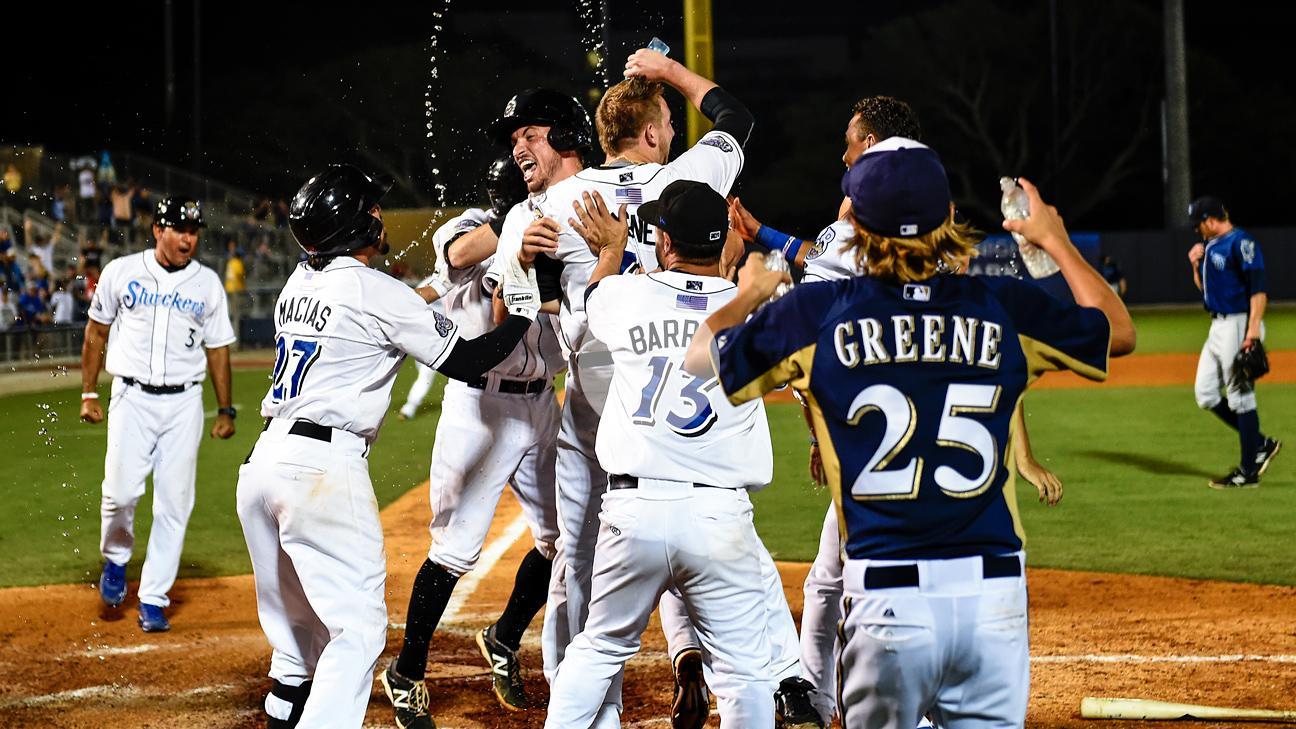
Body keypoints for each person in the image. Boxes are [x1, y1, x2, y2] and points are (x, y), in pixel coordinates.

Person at [685, 139, 1136, 729]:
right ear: (948, 218)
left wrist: (749, 292)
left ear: (858, 230)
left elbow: (699, 358)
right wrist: (1053, 240)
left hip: (887, 601)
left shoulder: (820, 311)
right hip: (992, 598)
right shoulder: (1000, 303)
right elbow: (1119, 331)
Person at [729, 97, 1060, 726]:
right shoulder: (941, 249)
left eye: (851, 143)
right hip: (973, 541)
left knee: (833, 579)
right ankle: (837, 697)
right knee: (835, 578)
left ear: (873, 143)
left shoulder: (864, 228)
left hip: (885, 490)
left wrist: (755, 258)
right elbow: (1100, 336)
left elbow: (724, 350)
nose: (843, 155)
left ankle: (819, 698)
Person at [490, 48, 767, 727]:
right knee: (700, 516)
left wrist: (525, 255)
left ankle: (581, 702)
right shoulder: (687, 175)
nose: (673, 131)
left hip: (594, 376)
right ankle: (725, 660)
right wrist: (669, 74)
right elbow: (737, 115)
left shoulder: (551, 201)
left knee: (578, 551)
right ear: (649, 132)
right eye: (667, 121)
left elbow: (507, 308)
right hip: (679, 370)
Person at [235, 163, 542, 729]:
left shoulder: (299, 284)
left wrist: (443, 287)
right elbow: (471, 360)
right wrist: (522, 312)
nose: (378, 216)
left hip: (263, 466)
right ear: (353, 224)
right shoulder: (374, 290)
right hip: (320, 471)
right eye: (369, 210)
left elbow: (393, 307)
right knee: (358, 634)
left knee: (296, 644)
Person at [545, 180, 783, 728]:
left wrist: (608, 249)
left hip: (635, 511)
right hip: (720, 517)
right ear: (723, 243)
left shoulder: (628, 295)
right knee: (747, 672)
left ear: (665, 242)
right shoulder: (756, 311)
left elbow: (592, 299)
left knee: (599, 646)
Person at [380, 154, 565, 729]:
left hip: (543, 402)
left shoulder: (556, 230)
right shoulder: (469, 228)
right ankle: (407, 672)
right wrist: (514, 222)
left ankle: (504, 636)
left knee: (563, 540)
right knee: (455, 549)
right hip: (479, 404)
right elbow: (458, 257)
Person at [79, 197, 238, 633]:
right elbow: (96, 331)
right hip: (131, 397)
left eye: (193, 230)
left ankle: (153, 597)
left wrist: (224, 408)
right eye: (179, 229)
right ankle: (115, 558)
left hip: (185, 402)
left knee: (175, 502)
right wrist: (89, 393)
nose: (188, 237)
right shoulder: (122, 271)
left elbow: (218, 348)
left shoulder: (206, 284)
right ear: (157, 231)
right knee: (120, 494)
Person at [1186, 196, 1280, 488]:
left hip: (1239, 324)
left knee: (1241, 397)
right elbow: (1207, 292)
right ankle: (1261, 443)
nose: (1196, 230)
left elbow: (1259, 291)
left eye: (1198, 224)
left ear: (1211, 220)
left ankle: (1247, 472)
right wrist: (1193, 266)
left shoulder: (1242, 243)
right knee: (1205, 393)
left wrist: (1251, 333)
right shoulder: (1211, 245)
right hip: (1217, 326)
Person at [224, 241, 247, 340]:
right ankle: (235, 340)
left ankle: (229, 339)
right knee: (236, 317)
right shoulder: (238, 263)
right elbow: (241, 275)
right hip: (236, 291)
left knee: (231, 316)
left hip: (228, 289)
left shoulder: (230, 262)